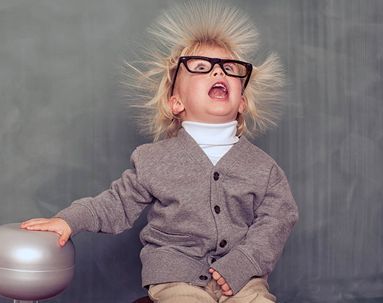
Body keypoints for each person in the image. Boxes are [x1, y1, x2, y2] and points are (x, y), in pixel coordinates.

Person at [21, 1, 298, 302]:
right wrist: (68, 220)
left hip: (242, 279)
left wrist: (246, 261)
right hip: (175, 278)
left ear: (241, 101)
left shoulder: (264, 168)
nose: (218, 72)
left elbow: (278, 219)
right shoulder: (153, 160)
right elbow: (114, 205)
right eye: (202, 67)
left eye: (229, 69)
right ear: (175, 102)